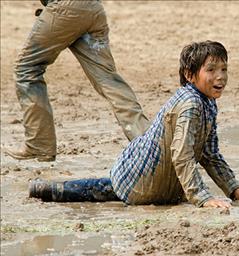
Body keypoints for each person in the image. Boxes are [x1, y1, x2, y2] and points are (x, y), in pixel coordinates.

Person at [29, 41, 239, 209]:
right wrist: (202, 198)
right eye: (211, 70)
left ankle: (42, 189)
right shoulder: (191, 104)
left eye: (224, 69)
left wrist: (236, 192)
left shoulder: (207, 102)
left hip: (140, 176)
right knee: (109, 190)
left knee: (102, 189)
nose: (220, 77)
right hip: (138, 180)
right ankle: (42, 189)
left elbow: (209, 154)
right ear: (190, 75)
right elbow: (182, 155)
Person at [4, 0, 150, 162]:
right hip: (93, 9)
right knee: (108, 80)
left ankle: (40, 144)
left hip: (64, 11)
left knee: (26, 69)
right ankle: (148, 142)